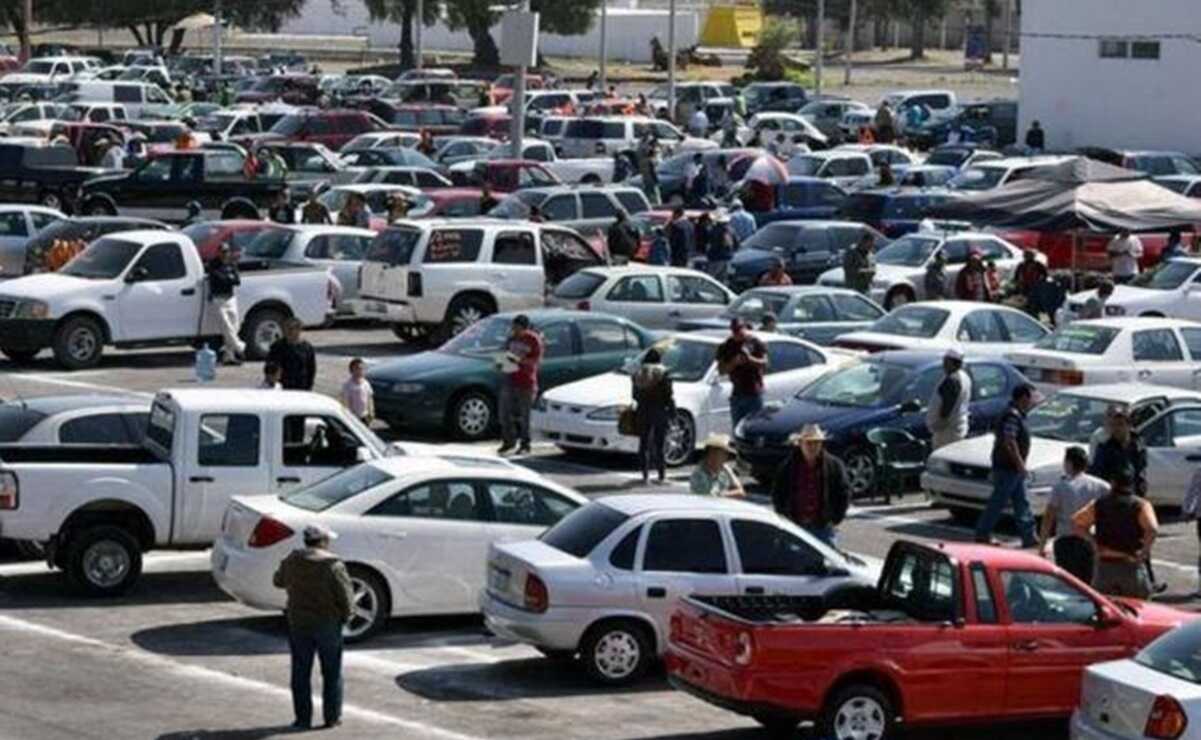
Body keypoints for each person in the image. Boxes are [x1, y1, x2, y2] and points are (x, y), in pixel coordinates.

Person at [273, 523, 353, 731]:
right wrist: (347, 616)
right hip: (328, 623)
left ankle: (302, 719)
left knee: (300, 671)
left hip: (299, 622)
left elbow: (278, 581)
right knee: (332, 672)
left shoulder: (292, 560)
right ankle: (332, 717)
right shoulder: (333, 565)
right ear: (323, 541)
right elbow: (346, 596)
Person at [1073, 468, 1158, 599]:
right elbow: (1152, 529)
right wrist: (1144, 552)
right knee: (1139, 605)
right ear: (1131, 484)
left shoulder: (1099, 504)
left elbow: (1077, 523)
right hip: (1130, 564)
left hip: (1105, 565)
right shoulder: (1140, 505)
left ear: (1112, 483)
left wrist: (1093, 541)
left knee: (1102, 605)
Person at [975, 383, 1039, 548]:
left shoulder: (1017, 415)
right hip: (1008, 468)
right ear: (1023, 398)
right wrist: (1020, 464)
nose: (1033, 401)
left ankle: (1029, 536)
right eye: (1031, 397)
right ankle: (982, 534)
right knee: (998, 502)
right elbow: (1009, 442)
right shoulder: (1012, 416)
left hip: (1012, 468)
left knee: (1021, 502)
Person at [1037, 446, 1108, 582]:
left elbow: (1049, 517)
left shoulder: (1061, 486)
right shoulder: (1101, 486)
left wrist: (1042, 545)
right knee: (1085, 582)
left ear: (1069, 463)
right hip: (1088, 540)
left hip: (1065, 540)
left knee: (1066, 583)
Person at [771, 425, 850, 546]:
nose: (812, 446)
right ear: (800, 444)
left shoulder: (834, 465)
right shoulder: (788, 466)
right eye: (808, 443)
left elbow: (844, 492)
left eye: (816, 443)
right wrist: (784, 515)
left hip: (823, 528)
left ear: (821, 444)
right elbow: (777, 493)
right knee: (793, 557)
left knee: (827, 557)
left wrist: (836, 518)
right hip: (795, 525)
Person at [498, 315, 543, 455]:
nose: (515, 330)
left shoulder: (533, 340)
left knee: (525, 416)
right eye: (513, 327)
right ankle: (508, 441)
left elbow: (536, 360)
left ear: (525, 328)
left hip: (526, 382)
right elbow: (503, 355)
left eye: (517, 328)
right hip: (510, 379)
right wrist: (501, 364)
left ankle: (525, 444)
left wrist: (520, 360)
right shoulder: (511, 339)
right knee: (504, 413)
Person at [632, 348, 674, 485]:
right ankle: (661, 476)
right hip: (659, 410)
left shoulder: (638, 373)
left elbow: (634, 395)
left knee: (643, 444)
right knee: (659, 444)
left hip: (642, 410)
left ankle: (645, 476)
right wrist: (672, 411)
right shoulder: (663, 372)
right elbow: (669, 394)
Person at [716, 317, 768, 429]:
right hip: (737, 394)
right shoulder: (726, 346)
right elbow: (721, 370)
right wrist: (733, 363)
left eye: (740, 329)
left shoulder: (755, 342)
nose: (738, 333)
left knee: (756, 427)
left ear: (745, 328)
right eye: (735, 331)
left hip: (754, 393)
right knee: (738, 428)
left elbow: (764, 363)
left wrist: (750, 359)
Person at [205, 243, 246, 366]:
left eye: (226, 251)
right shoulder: (213, 265)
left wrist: (228, 278)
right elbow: (218, 278)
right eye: (222, 251)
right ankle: (239, 347)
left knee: (234, 327)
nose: (225, 254)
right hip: (218, 299)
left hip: (230, 298)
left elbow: (237, 281)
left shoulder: (231, 264)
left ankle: (229, 356)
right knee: (226, 327)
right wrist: (229, 278)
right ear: (218, 252)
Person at [925, 347, 972, 450]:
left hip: (946, 432)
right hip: (956, 428)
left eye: (945, 361)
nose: (943, 364)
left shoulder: (952, 381)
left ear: (950, 362)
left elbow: (946, 410)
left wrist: (937, 424)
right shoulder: (964, 376)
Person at [268, 318, 317, 391]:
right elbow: (270, 366)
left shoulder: (307, 348)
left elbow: (311, 369)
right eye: (286, 329)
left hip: (301, 386)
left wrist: (309, 386)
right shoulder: (277, 347)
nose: (289, 332)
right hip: (282, 387)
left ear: (299, 330)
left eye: (291, 329)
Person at [340, 357, 374, 425]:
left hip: (364, 416)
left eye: (361, 369)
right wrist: (347, 415)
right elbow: (344, 402)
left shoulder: (366, 383)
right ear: (351, 371)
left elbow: (369, 398)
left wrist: (371, 412)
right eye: (357, 369)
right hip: (353, 416)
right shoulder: (348, 385)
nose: (359, 371)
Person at [705, 218, 736, 283]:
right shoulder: (731, 230)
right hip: (728, 257)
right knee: (724, 279)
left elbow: (710, 244)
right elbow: (736, 243)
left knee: (711, 279)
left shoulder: (714, 230)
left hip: (715, 258)